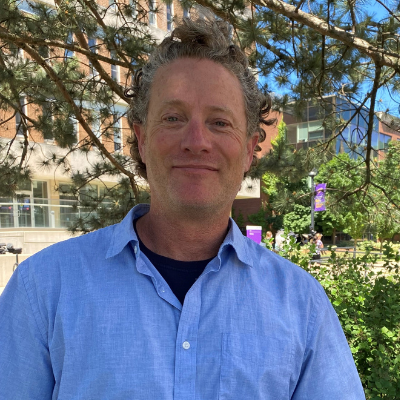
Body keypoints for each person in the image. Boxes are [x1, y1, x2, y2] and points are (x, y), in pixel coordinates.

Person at [0, 18, 365, 399]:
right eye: (173, 118)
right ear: (140, 139)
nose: (196, 141)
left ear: (249, 148)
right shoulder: (42, 290)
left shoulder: (302, 306)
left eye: (220, 122)